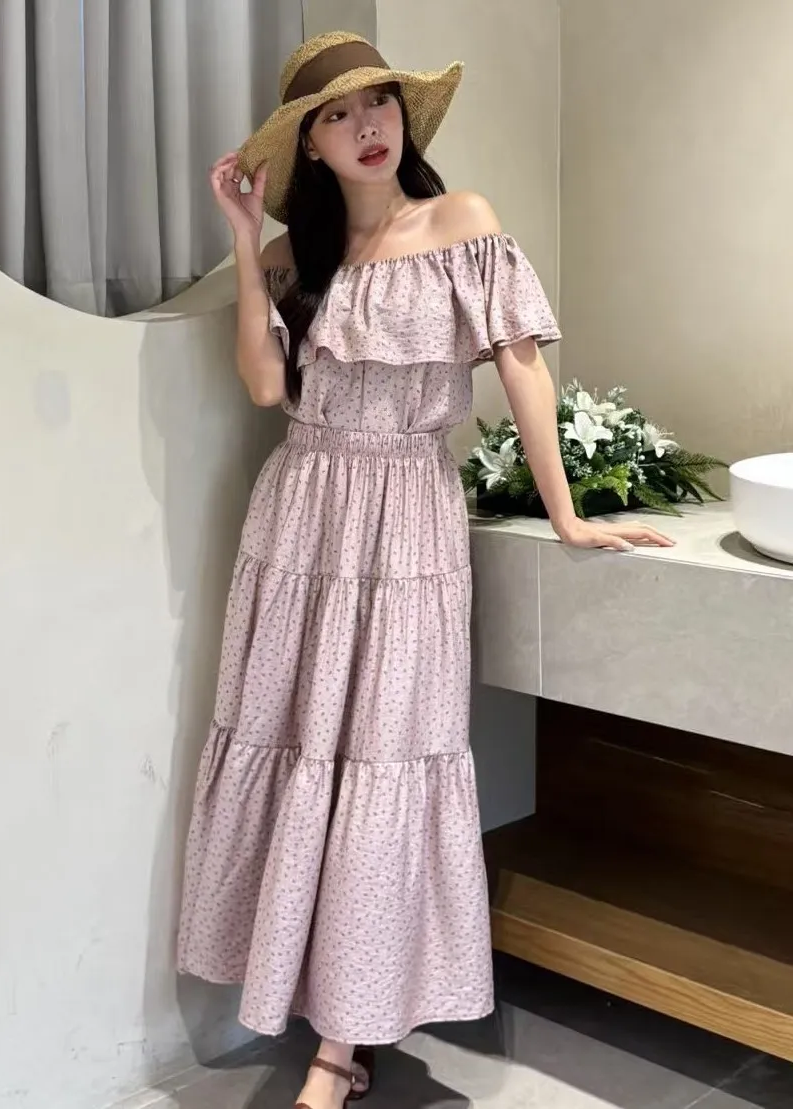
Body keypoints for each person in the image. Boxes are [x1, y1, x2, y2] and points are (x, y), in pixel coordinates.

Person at [177, 31, 673, 1109]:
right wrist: (243, 237)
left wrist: (567, 511)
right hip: (301, 518)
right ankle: (304, 1001)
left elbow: (523, 370)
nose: (367, 126)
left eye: (380, 103)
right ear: (310, 146)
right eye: (338, 115)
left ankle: (339, 1045)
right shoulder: (296, 257)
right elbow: (263, 387)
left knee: (388, 755)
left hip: (407, 520)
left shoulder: (462, 224)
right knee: (300, 749)